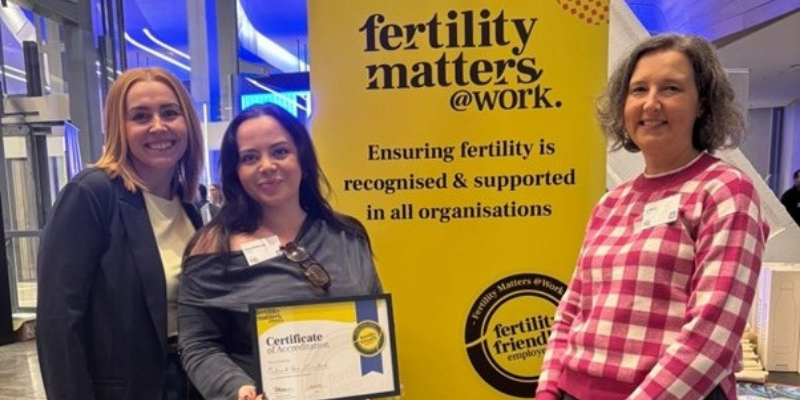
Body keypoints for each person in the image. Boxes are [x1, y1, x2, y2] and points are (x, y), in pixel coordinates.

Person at [536, 34, 769, 400]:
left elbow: (713, 334)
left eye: (671, 88)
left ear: (703, 104)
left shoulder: (725, 190)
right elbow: (572, 310)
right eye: (639, 89)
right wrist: (548, 390)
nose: (651, 104)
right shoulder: (610, 203)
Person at [178, 104, 382, 400]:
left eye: (280, 151)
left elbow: (371, 325)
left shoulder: (346, 236)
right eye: (250, 157)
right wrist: (238, 390)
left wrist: (378, 378)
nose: (267, 165)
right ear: (236, 172)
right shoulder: (211, 249)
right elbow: (199, 344)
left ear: (303, 159)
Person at [36, 67, 205, 400]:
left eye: (170, 112)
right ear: (119, 128)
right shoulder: (91, 194)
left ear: (188, 123)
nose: (159, 126)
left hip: (189, 383)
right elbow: (58, 323)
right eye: (140, 116)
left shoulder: (190, 205)